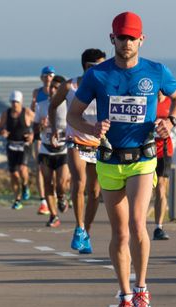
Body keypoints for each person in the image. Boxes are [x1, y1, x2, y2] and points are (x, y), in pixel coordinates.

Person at [67, 12, 176, 307]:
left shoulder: (156, 71)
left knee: (137, 223)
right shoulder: (98, 75)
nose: (127, 43)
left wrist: (170, 121)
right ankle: (124, 294)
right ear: (112, 39)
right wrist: (91, 128)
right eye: (122, 37)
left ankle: (142, 289)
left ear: (142, 40)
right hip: (109, 158)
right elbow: (73, 114)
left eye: (133, 38)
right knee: (119, 233)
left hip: (143, 158)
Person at [49, 48, 106, 254]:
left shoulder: (106, 85)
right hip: (75, 140)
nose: (101, 69)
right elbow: (53, 105)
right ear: (86, 67)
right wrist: (55, 128)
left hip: (97, 143)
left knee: (95, 191)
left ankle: (86, 232)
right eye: (96, 66)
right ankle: (79, 226)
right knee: (79, 182)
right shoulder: (69, 86)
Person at [34, 75, 70, 227]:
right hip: (46, 149)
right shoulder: (41, 105)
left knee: (61, 183)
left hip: (63, 150)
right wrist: (41, 126)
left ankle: (61, 196)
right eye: (51, 87)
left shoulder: (69, 105)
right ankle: (53, 215)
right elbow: (35, 129)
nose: (53, 90)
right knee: (48, 183)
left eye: (57, 87)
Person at [152, 92, 176, 240]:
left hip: (164, 151)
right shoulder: (148, 101)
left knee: (160, 187)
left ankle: (158, 227)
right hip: (144, 150)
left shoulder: (171, 104)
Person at [0, 90, 34, 209]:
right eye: (13, 102)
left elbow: (38, 124)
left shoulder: (27, 112)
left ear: (21, 102)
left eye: (17, 102)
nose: (15, 105)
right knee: (14, 174)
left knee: (23, 169)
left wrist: (32, 135)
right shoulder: (6, 114)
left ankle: (25, 185)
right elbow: (0, 128)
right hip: (11, 145)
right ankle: (17, 199)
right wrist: (2, 132)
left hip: (24, 145)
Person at [31, 66, 55, 215]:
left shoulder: (59, 92)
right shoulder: (37, 92)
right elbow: (32, 112)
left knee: (61, 169)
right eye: (45, 76)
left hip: (57, 134)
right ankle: (43, 201)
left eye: (50, 75)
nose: (48, 78)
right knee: (40, 166)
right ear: (41, 78)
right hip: (41, 133)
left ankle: (60, 193)